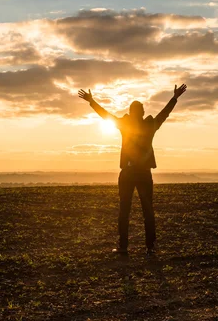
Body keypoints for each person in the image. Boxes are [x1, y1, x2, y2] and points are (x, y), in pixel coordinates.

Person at [78, 84, 187, 255]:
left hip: (128, 173)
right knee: (147, 211)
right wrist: (174, 98)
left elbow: (106, 115)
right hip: (144, 173)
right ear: (142, 113)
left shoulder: (125, 124)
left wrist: (92, 101)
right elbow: (164, 114)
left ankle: (123, 247)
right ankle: (150, 247)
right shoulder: (149, 125)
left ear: (131, 112)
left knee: (125, 210)